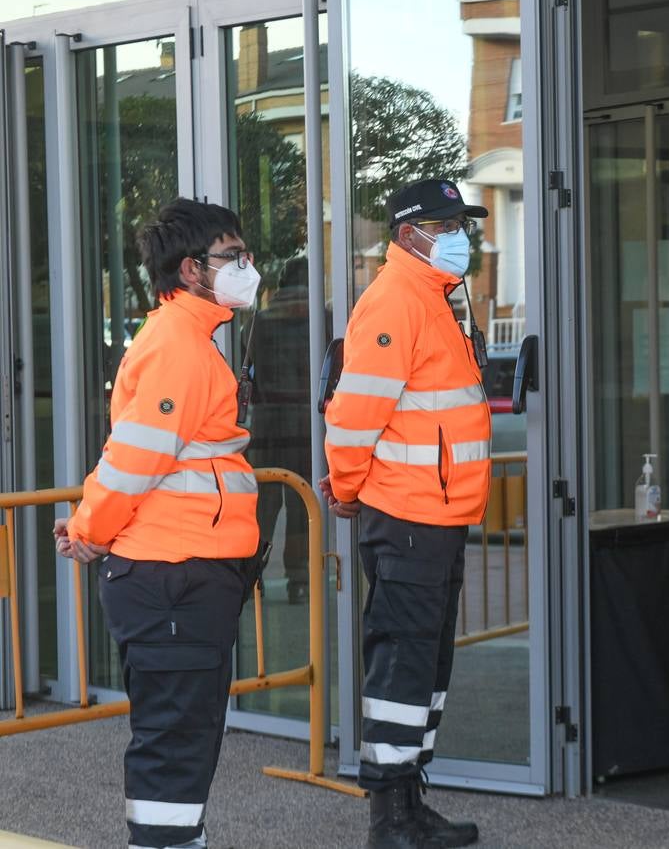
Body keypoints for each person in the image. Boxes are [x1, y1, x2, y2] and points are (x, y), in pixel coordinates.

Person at [54, 198, 262, 849]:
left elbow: (131, 455)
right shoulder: (179, 346)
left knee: (183, 736)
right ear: (192, 270)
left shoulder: (184, 340)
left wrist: (91, 523)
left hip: (183, 572)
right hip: (172, 575)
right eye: (233, 256)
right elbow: (136, 461)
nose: (247, 266)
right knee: (175, 741)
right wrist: (89, 530)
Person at [321, 178, 491, 849]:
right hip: (410, 518)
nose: (461, 236)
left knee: (425, 665)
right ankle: (388, 820)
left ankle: (410, 802)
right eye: (446, 225)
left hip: (438, 517)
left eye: (462, 223)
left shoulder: (435, 299)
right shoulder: (394, 300)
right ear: (407, 235)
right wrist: (347, 488)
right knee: (402, 664)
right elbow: (354, 413)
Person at [250, 255, 319, 604]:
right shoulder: (323, 321)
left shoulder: (259, 322)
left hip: (265, 426)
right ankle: (299, 580)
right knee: (299, 508)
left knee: (263, 507)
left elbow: (248, 373)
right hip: (306, 426)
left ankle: (250, 574)